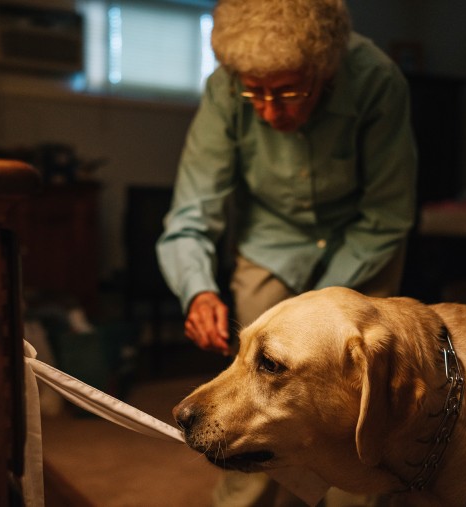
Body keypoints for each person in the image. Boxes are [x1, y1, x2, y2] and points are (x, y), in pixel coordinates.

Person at [157, 0, 417, 505]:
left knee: (359, 421)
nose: (269, 111)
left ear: (325, 69)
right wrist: (198, 290)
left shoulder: (378, 81)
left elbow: (387, 215)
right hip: (270, 247)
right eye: (254, 93)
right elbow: (191, 212)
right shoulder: (225, 89)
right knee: (250, 415)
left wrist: (319, 311)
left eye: (289, 92)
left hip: (364, 244)